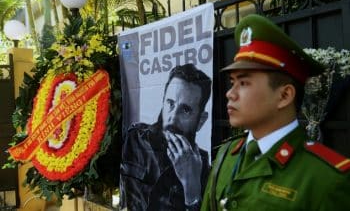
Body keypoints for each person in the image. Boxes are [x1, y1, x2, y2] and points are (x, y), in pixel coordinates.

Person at [201, 14, 350, 211]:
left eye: (244, 83)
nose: (230, 93)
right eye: (232, 82)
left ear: (285, 95)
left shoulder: (325, 178)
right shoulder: (226, 156)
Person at [120, 63, 212, 211]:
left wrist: (192, 190)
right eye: (170, 103)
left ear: (200, 120)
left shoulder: (204, 170)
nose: (173, 118)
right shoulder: (136, 138)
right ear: (162, 101)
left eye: (185, 110)